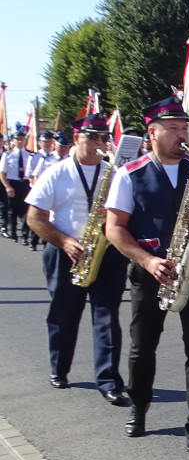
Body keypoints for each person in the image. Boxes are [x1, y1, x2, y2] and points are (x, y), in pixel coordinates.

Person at [104, 97, 189, 459]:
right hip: (152, 272)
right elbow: (114, 229)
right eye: (173, 129)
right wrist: (147, 261)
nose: (181, 135)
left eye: (183, 128)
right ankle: (139, 407)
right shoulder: (130, 174)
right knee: (143, 347)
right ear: (152, 133)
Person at [25, 114, 128, 404]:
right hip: (66, 252)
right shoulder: (56, 172)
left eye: (103, 138)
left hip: (106, 253)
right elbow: (34, 217)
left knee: (107, 318)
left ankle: (109, 381)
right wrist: (65, 241)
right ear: (76, 138)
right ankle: (59, 368)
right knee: (63, 315)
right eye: (91, 137)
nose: (98, 143)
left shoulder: (115, 172)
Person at [1, 129, 33, 245]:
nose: (20, 141)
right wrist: (7, 186)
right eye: (17, 139)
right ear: (13, 141)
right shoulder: (8, 154)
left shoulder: (30, 155)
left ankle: (25, 236)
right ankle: (13, 233)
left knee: (26, 211)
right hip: (13, 183)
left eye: (22, 139)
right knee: (12, 211)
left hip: (25, 184)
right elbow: (2, 173)